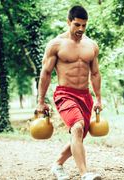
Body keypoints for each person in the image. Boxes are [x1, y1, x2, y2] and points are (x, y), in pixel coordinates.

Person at [36, 5, 102, 180]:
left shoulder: (91, 45)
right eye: (77, 25)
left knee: (78, 134)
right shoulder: (56, 44)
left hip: (85, 96)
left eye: (84, 26)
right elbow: (46, 73)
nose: (80, 29)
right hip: (64, 94)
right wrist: (40, 101)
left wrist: (98, 99)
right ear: (68, 22)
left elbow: (95, 73)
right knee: (78, 127)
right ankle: (84, 174)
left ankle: (57, 165)